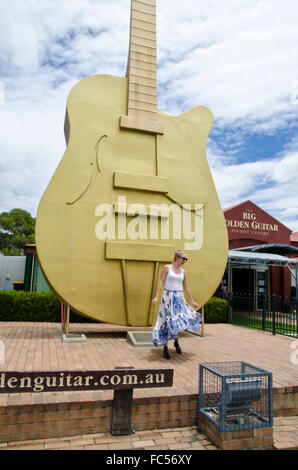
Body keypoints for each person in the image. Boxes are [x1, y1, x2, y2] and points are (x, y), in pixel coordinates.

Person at [152, 250, 202, 359]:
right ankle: (165, 347)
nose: (185, 261)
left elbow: (186, 287)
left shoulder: (183, 272)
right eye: (184, 258)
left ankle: (176, 341)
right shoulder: (167, 268)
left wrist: (192, 301)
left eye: (186, 259)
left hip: (179, 298)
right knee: (165, 321)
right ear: (177, 258)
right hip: (167, 298)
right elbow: (161, 282)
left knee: (179, 321)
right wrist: (156, 296)